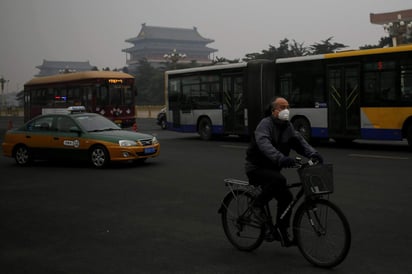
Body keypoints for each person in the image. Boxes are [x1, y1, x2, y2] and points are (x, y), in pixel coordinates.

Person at [245, 97, 323, 246]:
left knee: (287, 198)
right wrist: (282, 159)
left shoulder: (288, 127)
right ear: (273, 111)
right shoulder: (265, 125)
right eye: (281, 107)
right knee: (279, 180)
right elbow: (265, 145)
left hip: (272, 168)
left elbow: (299, 142)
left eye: (287, 107)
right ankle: (256, 205)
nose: (285, 110)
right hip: (256, 168)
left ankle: (282, 230)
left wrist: (314, 154)